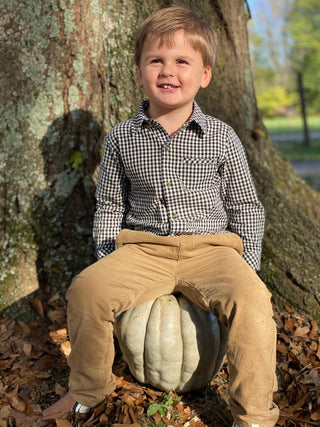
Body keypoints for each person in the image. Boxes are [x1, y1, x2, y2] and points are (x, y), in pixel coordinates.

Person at [43, 6, 279, 427]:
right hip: (145, 250)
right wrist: (106, 259)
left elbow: (246, 205)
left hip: (212, 251)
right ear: (138, 72)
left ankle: (255, 415)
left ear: (204, 74)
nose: (168, 71)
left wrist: (247, 267)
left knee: (254, 301)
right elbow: (111, 205)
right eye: (156, 60)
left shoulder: (222, 137)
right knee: (87, 290)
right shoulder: (121, 139)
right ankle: (87, 388)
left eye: (182, 61)